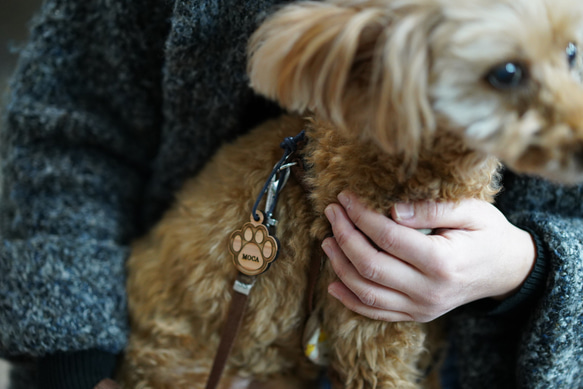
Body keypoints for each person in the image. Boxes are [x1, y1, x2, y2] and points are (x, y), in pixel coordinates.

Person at [0, 0, 581, 388]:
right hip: (152, 338)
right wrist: (71, 362)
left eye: (573, 56)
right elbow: (68, 136)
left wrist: (529, 269)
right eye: (507, 74)